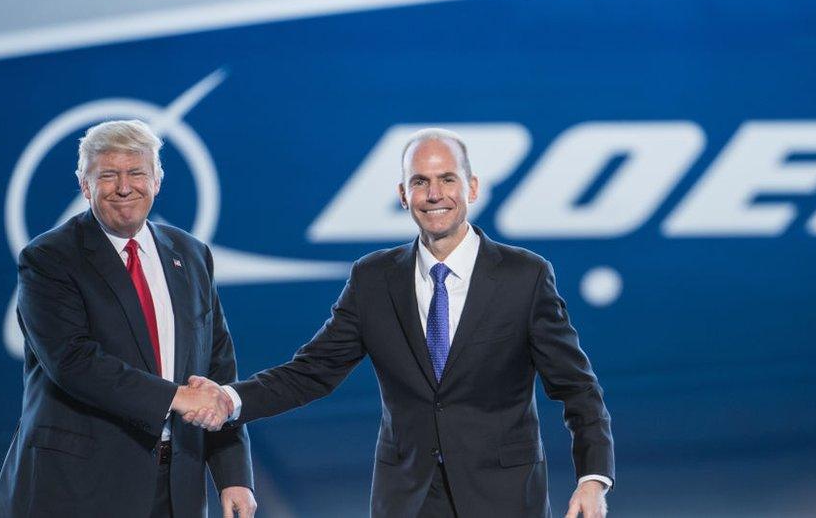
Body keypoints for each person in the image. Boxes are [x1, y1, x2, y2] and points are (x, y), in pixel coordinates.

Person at [187, 128, 614, 517]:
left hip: (503, 495)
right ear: (402, 193)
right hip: (407, 496)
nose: (434, 194)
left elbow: (576, 387)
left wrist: (593, 479)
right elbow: (311, 373)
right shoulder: (373, 278)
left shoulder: (526, 276)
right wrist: (230, 400)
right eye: (420, 182)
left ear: (473, 187)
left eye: (447, 179)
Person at [0, 120, 256, 518]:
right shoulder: (48, 259)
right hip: (79, 487)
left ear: (157, 180)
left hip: (176, 485)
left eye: (136, 173)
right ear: (85, 185)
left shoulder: (191, 254)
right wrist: (177, 398)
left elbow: (218, 368)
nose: (124, 186)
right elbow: (74, 363)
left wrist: (233, 473)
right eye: (108, 175)